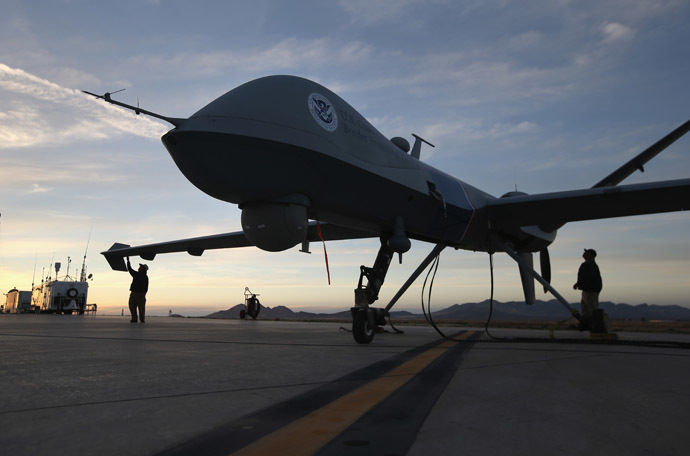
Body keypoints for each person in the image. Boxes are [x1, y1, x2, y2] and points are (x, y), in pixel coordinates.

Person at [573, 248, 602, 329]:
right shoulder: (588, 265)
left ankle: (597, 326)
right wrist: (578, 283)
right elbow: (584, 277)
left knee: (592, 308)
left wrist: (580, 284)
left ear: (590, 255)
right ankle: (587, 324)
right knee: (585, 308)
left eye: (586, 252)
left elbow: (588, 277)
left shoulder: (590, 265)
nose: (584, 253)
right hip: (587, 289)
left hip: (590, 290)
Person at [127, 257, 149, 323]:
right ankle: (134, 319)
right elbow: (130, 269)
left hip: (140, 294)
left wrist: (143, 294)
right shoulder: (136, 274)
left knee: (141, 308)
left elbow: (146, 287)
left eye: (141, 267)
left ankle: (142, 319)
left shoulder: (145, 277)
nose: (139, 268)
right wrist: (128, 262)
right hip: (133, 293)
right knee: (132, 306)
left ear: (144, 269)